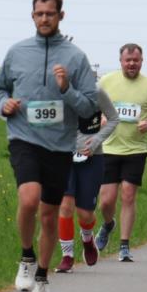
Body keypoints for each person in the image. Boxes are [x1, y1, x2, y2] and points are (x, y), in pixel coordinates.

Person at [0, 0, 99, 292]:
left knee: (50, 215)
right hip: (23, 137)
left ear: (61, 16)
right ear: (32, 16)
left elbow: (89, 108)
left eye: (50, 14)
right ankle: (26, 256)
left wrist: (66, 89)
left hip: (60, 145)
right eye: (39, 14)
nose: (44, 19)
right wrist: (3, 105)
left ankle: (41, 277)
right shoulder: (17, 52)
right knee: (29, 198)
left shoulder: (76, 57)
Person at [95, 43, 147, 262]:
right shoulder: (106, 81)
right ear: (121, 61)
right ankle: (108, 224)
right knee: (105, 202)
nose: (132, 64)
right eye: (128, 60)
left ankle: (124, 245)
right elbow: (91, 107)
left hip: (136, 149)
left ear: (142, 61)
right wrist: (100, 118)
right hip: (108, 147)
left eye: (136, 60)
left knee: (128, 194)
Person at [54, 87, 119, 272]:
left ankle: (88, 239)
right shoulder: (56, 92)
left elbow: (114, 119)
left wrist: (97, 140)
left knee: (85, 213)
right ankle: (67, 256)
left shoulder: (97, 92)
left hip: (92, 158)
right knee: (66, 205)